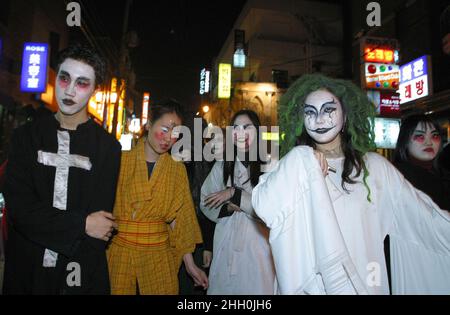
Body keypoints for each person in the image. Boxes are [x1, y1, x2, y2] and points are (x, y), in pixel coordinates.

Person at [252, 74, 450, 295]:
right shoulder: (290, 164)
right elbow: (264, 208)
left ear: (345, 116)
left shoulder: (374, 168)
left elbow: (425, 220)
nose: (319, 119)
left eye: (328, 110)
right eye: (310, 112)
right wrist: (301, 159)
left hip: (365, 281)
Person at [3, 44, 121, 294]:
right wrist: (81, 224)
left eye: (82, 83)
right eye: (65, 78)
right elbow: (20, 210)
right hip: (27, 267)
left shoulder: (108, 148)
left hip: (78, 271)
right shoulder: (25, 137)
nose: (69, 90)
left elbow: (99, 227)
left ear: (94, 89)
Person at [107, 100, 208, 295]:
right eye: (165, 129)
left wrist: (190, 265)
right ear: (148, 124)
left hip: (158, 256)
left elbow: (180, 220)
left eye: (175, 133)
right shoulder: (120, 161)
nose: (168, 138)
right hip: (120, 252)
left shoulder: (177, 169)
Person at [200, 110, 276, 295]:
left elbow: (271, 209)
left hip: (258, 248)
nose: (240, 133)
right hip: (226, 242)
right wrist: (228, 207)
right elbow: (205, 200)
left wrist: (235, 195)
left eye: (247, 127)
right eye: (235, 128)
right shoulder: (223, 165)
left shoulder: (271, 165)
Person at [178, 117, 215, 295]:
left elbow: (207, 205)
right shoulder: (177, 159)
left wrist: (208, 245)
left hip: (194, 237)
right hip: (189, 237)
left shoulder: (205, 161)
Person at [394, 115, 450, 210]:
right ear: (405, 140)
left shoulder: (443, 175)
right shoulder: (396, 176)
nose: (429, 142)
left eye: (435, 136)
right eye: (420, 136)